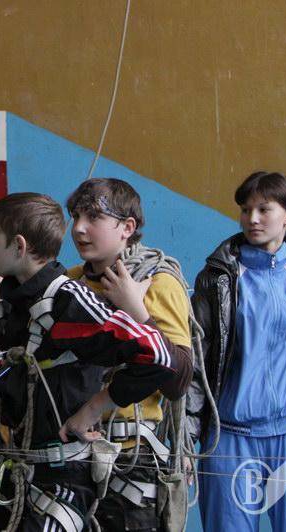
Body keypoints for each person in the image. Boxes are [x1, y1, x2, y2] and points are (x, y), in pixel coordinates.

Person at [0, 192, 181, 532]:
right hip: (19, 474)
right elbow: (26, 384)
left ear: (19, 246)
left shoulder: (69, 302)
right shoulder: (23, 303)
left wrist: (95, 407)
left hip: (61, 482)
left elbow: (158, 354)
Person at [64, 178, 193, 531]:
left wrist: (137, 311)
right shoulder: (67, 286)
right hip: (70, 454)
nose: (79, 228)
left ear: (127, 227)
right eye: (75, 216)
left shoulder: (159, 283)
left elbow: (179, 381)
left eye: (93, 217)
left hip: (131, 459)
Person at [189, 171, 286, 531]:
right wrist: (187, 438)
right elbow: (196, 362)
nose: (252, 219)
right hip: (231, 439)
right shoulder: (217, 278)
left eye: (264, 209)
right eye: (245, 210)